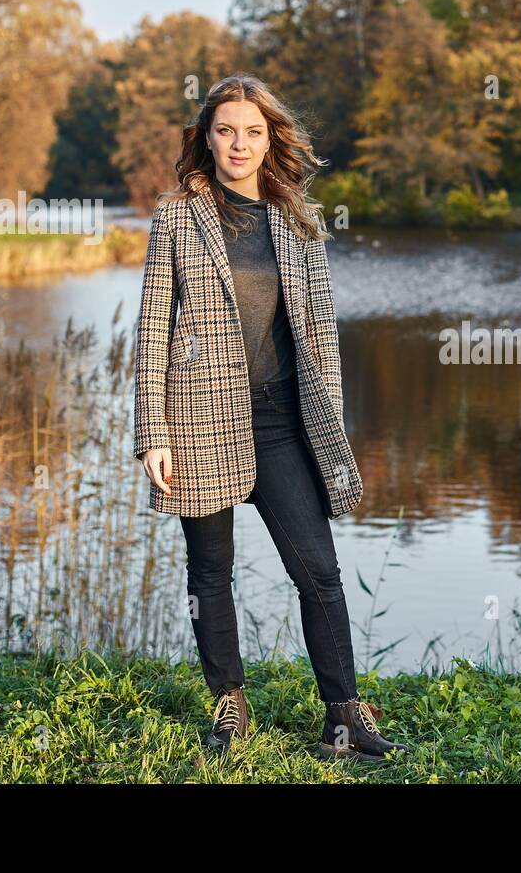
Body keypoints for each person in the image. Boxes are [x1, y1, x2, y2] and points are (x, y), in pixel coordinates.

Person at [132, 73, 406, 762]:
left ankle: (343, 714)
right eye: (226, 130)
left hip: (283, 419)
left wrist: (331, 425)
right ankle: (230, 706)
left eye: (253, 131)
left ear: (270, 138)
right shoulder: (176, 215)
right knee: (210, 572)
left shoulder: (297, 216)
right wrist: (153, 433)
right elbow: (151, 328)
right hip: (199, 419)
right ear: (207, 136)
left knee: (319, 570)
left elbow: (321, 333)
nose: (239, 144)